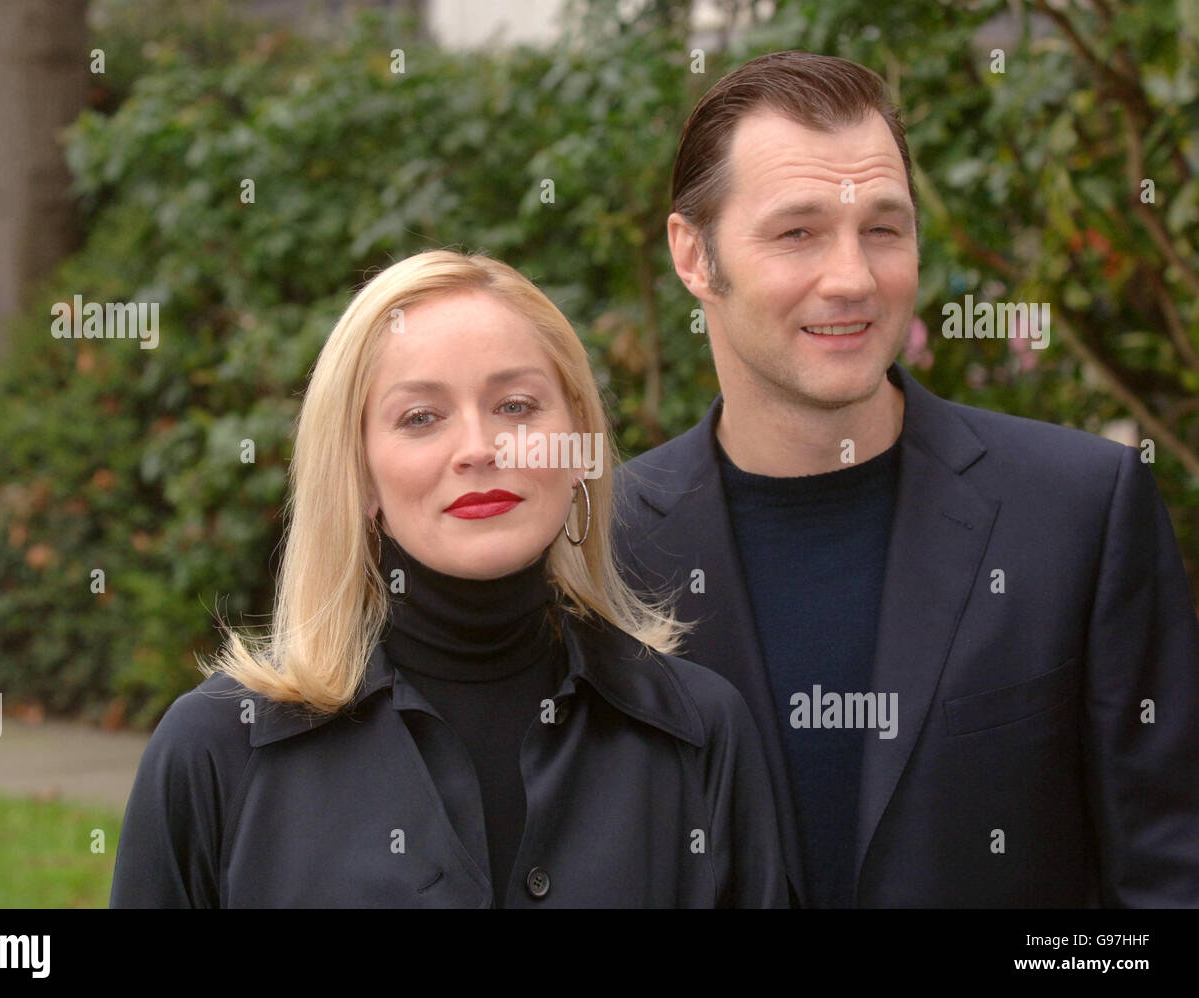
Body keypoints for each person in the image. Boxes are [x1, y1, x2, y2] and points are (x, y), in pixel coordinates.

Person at [614, 50, 1199, 908]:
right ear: (694, 256)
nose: (853, 278)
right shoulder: (604, 543)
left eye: (883, 228)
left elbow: (1167, 883)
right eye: (798, 232)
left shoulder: (1080, 510)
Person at [109, 249, 788, 908]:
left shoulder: (698, 733)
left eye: (517, 406)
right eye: (421, 418)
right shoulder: (216, 750)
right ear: (360, 474)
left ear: (580, 441)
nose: (478, 449)